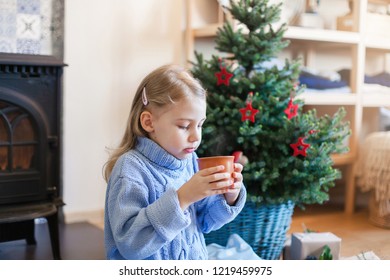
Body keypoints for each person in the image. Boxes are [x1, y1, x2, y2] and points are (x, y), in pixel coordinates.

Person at [103, 64, 246, 260]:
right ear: (148, 122)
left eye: (200, 125)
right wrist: (182, 198)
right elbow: (131, 243)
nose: (196, 136)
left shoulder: (190, 161)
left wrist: (230, 196)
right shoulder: (130, 169)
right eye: (184, 126)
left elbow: (205, 222)